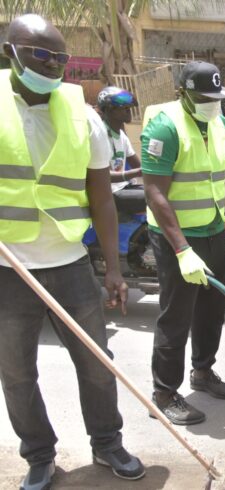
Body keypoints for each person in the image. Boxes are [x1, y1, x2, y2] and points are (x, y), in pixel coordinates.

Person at [0, 14, 145, 489]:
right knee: (17, 374)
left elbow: (101, 197)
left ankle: (107, 444)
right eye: (40, 54)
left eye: (59, 56)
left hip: (68, 264)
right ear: (12, 52)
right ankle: (40, 456)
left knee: (97, 364)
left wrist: (115, 270)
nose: (51, 64)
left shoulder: (83, 115)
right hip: (8, 268)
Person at [141, 61, 225, 425]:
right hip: (176, 237)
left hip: (213, 229)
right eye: (204, 97)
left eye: (217, 96)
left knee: (211, 310)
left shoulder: (220, 123)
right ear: (184, 93)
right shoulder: (165, 126)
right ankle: (164, 393)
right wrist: (181, 249)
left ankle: (202, 372)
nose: (212, 102)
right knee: (176, 316)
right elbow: (155, 191)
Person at [96, 86, 146, 214]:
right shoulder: (99, 136)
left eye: (129, 107)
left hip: (125, 188)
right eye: (123, 108)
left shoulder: (122, 135)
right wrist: (136, 173)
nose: (128, 111)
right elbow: (103, 176)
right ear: (108, 110)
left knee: (165, 192)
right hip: (109, 194)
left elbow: (139, 166)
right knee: (153, 198)